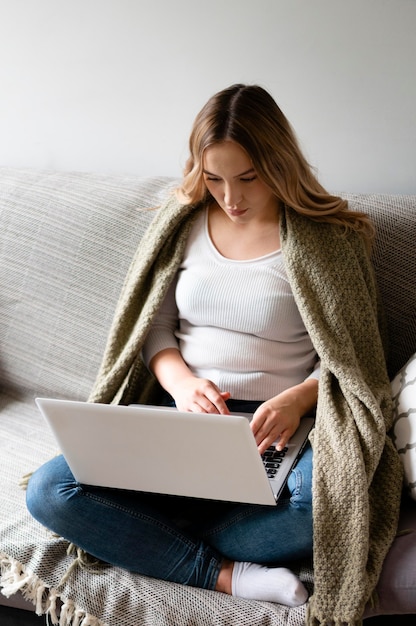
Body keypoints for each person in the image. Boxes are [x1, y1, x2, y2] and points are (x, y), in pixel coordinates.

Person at [26, 84, 403, 625]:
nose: (230, 196)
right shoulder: (181, 224)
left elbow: (353, 362)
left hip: (280, 428)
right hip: (183, 416)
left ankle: (146, 539)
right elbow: (151, 331)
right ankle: (224, 573)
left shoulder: (330, 238)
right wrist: (180, 382)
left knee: (326, 508)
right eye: (214, 177)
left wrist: (297, 400)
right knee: (49, 491)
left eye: (247, 177)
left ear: (278, 162)